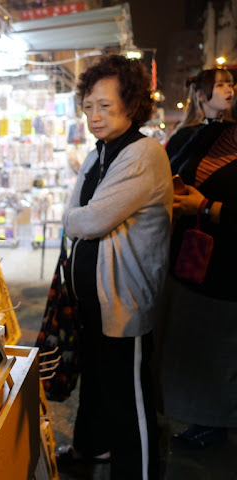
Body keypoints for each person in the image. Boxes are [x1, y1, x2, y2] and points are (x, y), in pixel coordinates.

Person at [56, 55, 173, 480]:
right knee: (98, 383)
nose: (95, 116)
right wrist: (75, 220)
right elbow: (76, 213)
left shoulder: (142, 153)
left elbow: (88, 219)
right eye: (88, 106)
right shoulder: (99, 153)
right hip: (93, 299)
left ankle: (137, 472)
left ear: (132, 103)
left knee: (129, 396)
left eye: (105, 106)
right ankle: (92, 447)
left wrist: (73, 221)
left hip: (123, 299)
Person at [158, 101, 237, 449]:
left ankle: (217, 423)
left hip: (228, 268)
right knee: (193, 346)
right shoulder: (213, 133)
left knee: (221, 348)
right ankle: (203, 418)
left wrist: (207, 207)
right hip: (191, 257)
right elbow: (172, 164)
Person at [166, 68, 234, 161]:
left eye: (230, 85)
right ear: (201, 95)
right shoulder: (184, 136)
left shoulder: (231, 130)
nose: (229, 90)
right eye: (220, 85)